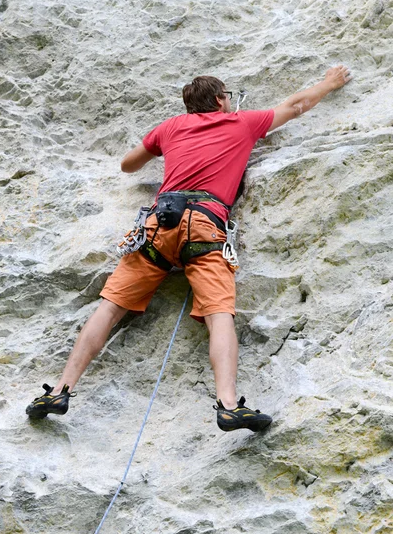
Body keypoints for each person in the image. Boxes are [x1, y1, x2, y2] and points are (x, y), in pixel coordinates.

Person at [26, 66, 351, 431]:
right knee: (219, 315)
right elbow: (295, 106)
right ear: (219, 100)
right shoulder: (242, 122)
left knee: (110, 307)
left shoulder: (170, 127)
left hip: (158, 225)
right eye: (227, 96)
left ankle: (60, 389)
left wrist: (165, 148)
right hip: (205, 226)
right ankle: (228, 404)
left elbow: (128, 164)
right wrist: (329, 82)